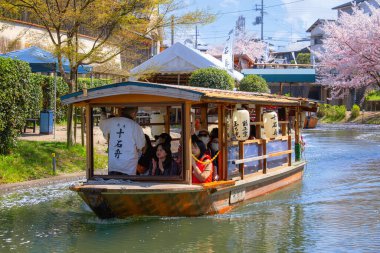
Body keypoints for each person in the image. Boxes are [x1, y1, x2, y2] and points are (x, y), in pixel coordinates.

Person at [99, 107, 145, 176]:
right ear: (133, 113)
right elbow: (141, 145)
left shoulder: (111, 121)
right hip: (128, 166)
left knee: (113, 184)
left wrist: (103, 112)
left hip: (114, 164)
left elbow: (102, 124)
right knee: (128, 185)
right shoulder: (135, 126)